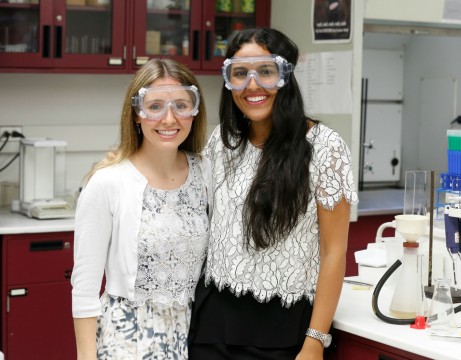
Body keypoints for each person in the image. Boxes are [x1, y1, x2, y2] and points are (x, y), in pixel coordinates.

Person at [189, 28, 358, 360]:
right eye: (240, 74)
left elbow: (333, 251)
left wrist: (315, 340)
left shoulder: (325, 147)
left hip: (281, 329)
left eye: (265, 71)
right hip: (212, 325)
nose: (252, 85)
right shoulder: (223, 141)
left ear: (286, 76)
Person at [71, 58, 212, 360]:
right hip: (129, 342)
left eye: (181, 105)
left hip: (195, 338)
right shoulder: (108, 182)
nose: (169, 118)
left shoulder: (206, 173)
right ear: (136, 113)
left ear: (195, 112)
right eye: (155, 106)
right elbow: (84, 289)